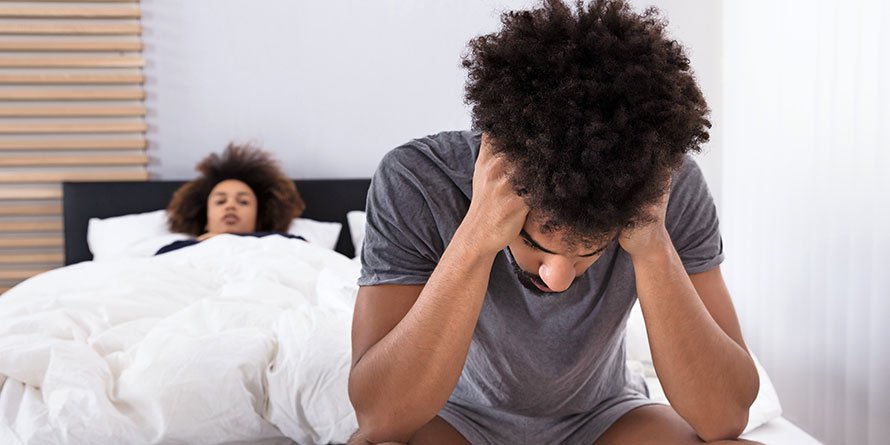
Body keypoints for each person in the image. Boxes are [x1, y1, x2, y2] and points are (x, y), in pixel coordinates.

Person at [348, 1, 761, 444]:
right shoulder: (416, 180)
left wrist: (652, 242)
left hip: (604, 418)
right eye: (534, 244)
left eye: (591, 252)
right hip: (453, 420)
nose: (559, 279)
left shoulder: (660, 190)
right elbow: (379, 419)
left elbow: (725, 417)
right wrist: (476, 236)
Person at [157, 143, 306, 255]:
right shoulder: (174, 250)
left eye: (243, 202)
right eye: (220, 201)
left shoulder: (285, 243)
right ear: (206, 220)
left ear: (258, 218)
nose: (230, 206)